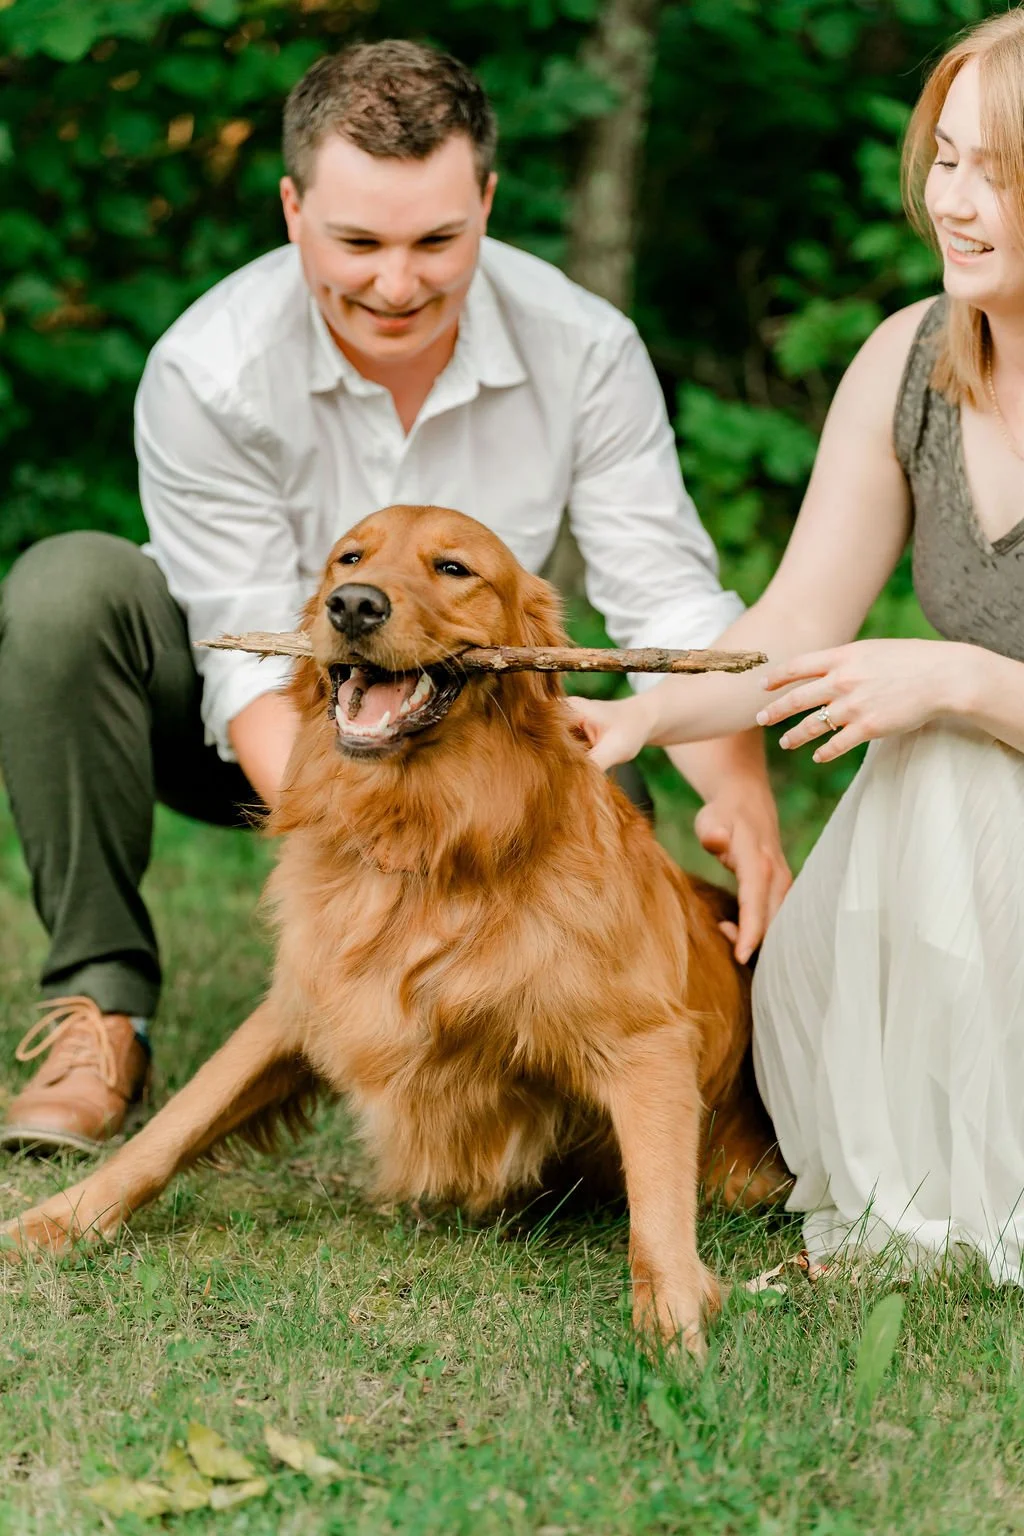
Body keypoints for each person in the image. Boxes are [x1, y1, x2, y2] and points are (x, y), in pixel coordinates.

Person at [0, 40, 789, 1154]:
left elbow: (667, 605)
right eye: (358, 243)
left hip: (476, 724)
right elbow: (240, 669)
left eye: (437, 241)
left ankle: (527, 1075)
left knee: (603, 817)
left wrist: (741, 798)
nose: (397, 283)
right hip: (263, 721)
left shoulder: (585, 349)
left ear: (488, 202)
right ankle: (103, 1006)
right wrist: (374, 852)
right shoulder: (207, 367)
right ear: (292, 211)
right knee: (65, 591)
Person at [573, 11, 1024, 1285]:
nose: (953, 203)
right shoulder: (911, 359)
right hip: (966, 830)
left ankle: (958, 1208)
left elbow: (953, 693)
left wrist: (963, 677)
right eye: (946, 159)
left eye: (999, 172)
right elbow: (786, 629)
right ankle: (921, 1190)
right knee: (910, 806)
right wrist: (640, 716)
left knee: (946, 748)